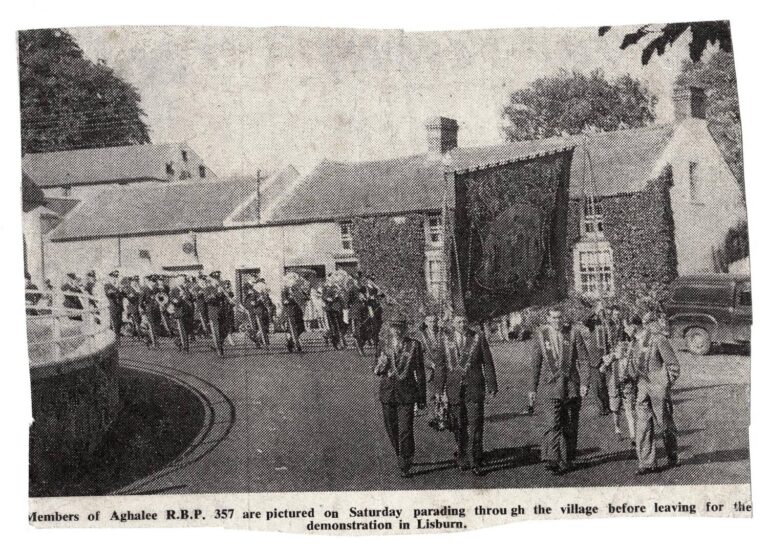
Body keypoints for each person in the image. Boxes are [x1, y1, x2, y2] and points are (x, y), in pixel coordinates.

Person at [530, 308, 594, 474]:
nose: (557, 321)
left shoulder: (573, 333)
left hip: (571, 386)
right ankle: (553, 458)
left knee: (569, 425)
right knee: (553, 423)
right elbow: (535, 364)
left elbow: (584, 360)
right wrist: (532, 388)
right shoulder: (540, 335)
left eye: (560, 317)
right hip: (550, 387)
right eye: (553, 318)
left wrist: (585, 383)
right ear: (548, 318)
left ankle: (566, 459)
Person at [434, 316, 498, 475]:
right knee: (459, 426)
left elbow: (488, 362)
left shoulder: (478, 337)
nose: (462, 325)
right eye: (458, 322)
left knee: (476, 424)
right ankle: (463, 457)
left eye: (464, 321)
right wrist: (439, 391)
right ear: (452, 324)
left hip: (475, 388)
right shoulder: (445, 340)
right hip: (454, 390)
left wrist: (492, 385)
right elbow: (441, 367)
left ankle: (476, 459)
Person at [373, 315, 427, 478]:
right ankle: (401, 452)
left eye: (400, 327)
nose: (396, 330)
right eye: (393, 327)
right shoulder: (383, 344)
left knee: (405, 429)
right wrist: (380, 366)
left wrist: (422, 397)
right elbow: (376, 369)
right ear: (390, 329)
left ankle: (405, 458)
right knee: (391, 428)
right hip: (388, 392)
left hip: (407, 393)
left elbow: (420, 372)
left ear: (405, 329)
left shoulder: (414, 345)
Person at [630, 311, 681, 475]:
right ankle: (647, 463)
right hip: (642, 389)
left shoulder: (659, 340)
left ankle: (672, 456)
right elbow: (634, 366)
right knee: (643, 427)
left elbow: (673, 366)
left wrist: (666, 384)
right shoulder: (635, 343)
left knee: (665, 425)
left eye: (642, 326)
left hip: (658, 389)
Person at [604, 307, 635, 441]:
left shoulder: (623, 323)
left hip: (624, 352)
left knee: (629, 409)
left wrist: (626, 326)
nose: (617, 316)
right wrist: (609, 357)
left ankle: (633, 435)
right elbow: (606, 340)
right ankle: (617, 429)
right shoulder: (608, 324)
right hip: (613, 354)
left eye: (618, 314)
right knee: (615, 408)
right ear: (612, 314)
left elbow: (631, 336)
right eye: (615, 314)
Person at [585, 301, 613, 416]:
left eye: (603, 310)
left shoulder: (606, 323)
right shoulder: (592, 323)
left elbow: (609, 339)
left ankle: (607, 406)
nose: (602, 313)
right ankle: (602, 408)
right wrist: (594, 311)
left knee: (603, 384)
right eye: (600, 311)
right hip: (594, 359)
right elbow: (584, 320)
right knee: (597, 386)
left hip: (605, 357)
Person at [205, 271, 227, 357]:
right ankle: (219, 351)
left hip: (222, 313)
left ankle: (216, 345)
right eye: (215, 279)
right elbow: (208, 300)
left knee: (224, 332)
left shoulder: (221, 289)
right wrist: (217, 294)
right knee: (217, 332)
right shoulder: (208, 289)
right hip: (214, 313)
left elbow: (225, 300)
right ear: (212, 280)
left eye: (218, 279)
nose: (217, 281)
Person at [168, 276, 191, 352]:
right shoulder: (173, 291)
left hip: (187, 312)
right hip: (179, 312)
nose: (184, 283)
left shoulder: (185, 289)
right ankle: (185, 347)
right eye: (183, 281)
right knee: (182, 330)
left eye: (184, 281)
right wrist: (181, 296)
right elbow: (175, 302)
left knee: (186, 330)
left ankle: (180, 343)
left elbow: (191, 298)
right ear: (178, 282)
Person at [103, 270, 124, 344]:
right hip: (113, 306)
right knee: (114, 323)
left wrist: (122, 290)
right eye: (114, 277)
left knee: (119, 323)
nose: (115, 278)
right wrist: (115, 290)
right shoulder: (107, 285)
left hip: (120, 307)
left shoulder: (119, 285)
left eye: (116, 277)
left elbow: (124, 295)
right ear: (110, 277)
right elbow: (108, 293)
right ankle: (115, 340)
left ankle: (117, 338)